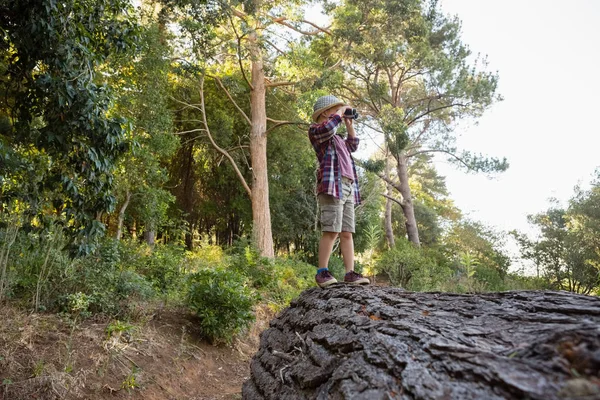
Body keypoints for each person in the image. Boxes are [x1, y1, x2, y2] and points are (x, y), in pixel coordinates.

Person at [308, 95, 370, 288]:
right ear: (326, 112)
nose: (340, 114)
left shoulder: (338, 138)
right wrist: (341, 112)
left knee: (347, 232)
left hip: (348, 186)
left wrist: (349, 124)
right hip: (332, 185)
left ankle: (350, 272)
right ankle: (322, 272)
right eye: (336, 110)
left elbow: (353, 146)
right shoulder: (317, 131)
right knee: (331, 229)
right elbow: (328, 128)